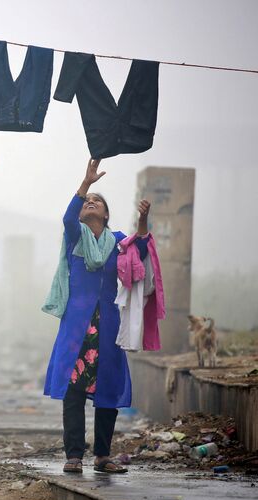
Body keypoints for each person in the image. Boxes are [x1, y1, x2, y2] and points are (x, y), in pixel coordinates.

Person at [42, 159, 151, 474]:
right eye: (87, 202)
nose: (90, 203)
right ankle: (74, 455)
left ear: (105, 215)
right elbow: (67, 217)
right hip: (76, 326)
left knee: (108, 388)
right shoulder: (75, 237)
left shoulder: (117, 242)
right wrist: (85, 183)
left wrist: (143, 220)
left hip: (108, 325)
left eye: (97, 202)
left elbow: (140, 250)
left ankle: (103, 456)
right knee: (73, 392)